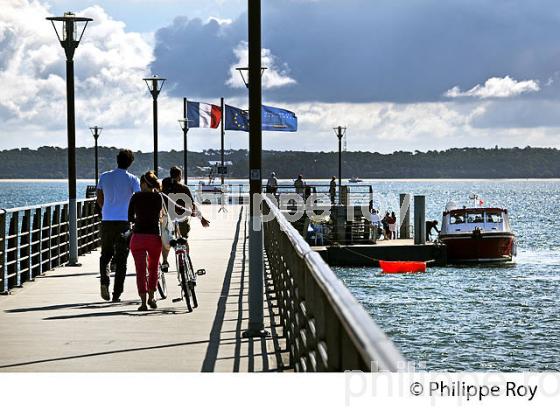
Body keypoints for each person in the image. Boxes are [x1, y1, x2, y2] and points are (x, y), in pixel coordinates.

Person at [96, 149, 140, 302]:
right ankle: (116, 294)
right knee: (122, 259)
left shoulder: (104, 176)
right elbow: (138, 198)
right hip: (124, 223)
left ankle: (104, 281)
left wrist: (105, 209)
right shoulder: (132, 179)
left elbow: (99, 197)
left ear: (117, 160)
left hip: (107, 220)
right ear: (130, 162)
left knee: (105, 255)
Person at [161, 166, 210, 270]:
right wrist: (202, 218)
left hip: (167, 219)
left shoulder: (164, 186)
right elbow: (193, 206)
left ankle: (165, 261)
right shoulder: (184, 188)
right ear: (180, 176)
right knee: (184, 239)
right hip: (182, 218)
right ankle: (187, 259)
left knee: (167, 242)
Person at [128, 171, 163, 311]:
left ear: (143, 183)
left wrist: (137, 221)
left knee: (140, 271)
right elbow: (160, 213)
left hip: (138, 238)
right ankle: (152, 297)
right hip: (154, 237)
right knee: (153, 268)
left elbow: (129, 216)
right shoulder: (158, 197)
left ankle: (143, 303)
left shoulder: (136, 197)